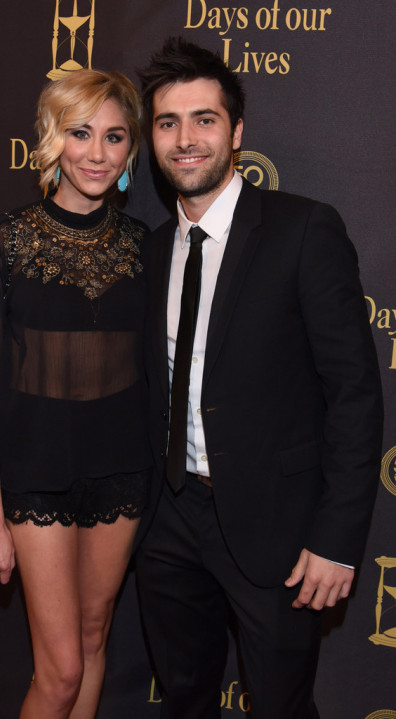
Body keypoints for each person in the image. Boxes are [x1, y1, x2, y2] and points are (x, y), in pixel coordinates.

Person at [134, 37, 383, 718]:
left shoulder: (303, 230)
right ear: (152, 137)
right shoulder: (152, 250)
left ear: (236, 131)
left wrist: (336, 537)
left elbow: (355, 393)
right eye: (167, 122)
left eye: (204, 119)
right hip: (168, 522)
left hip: (278, 527)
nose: (186, 139)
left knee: (279, 704)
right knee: (184, 697)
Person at [0, 69, 151, 719]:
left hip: (120, 471)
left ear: (129, 154)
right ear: (52, 138)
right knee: (58, 671)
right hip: (33, 474)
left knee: (92, 639)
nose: (97, 151)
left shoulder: (143, 246)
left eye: (114, 137)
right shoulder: (2, 239)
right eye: (81, 132)